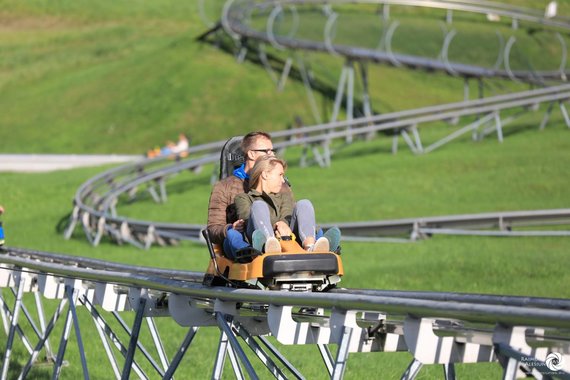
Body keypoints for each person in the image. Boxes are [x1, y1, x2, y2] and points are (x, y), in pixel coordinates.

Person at [233, 155, 340, 253]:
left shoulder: (284, 196)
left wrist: (284, 224)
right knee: (258, 206)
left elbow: (287, 214)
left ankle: (310, 247)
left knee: (304, 203)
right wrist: (278, 225)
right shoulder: (243, 198)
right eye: (280, 175)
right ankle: (270, 245)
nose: (283, 181)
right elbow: (246, 219)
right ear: (265, 174)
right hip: (257, 240)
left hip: (290, 239)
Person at [207, 132, 291, 251]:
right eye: (267, 151)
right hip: (240, 245)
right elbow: (212, 229)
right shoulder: (224, 187)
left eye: (273, 151)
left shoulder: (280, 184)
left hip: (282, 241)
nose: (272, 155)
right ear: (251, 154)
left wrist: (283, 224)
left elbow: (289, 213)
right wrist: (230, 228)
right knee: (233, 235)